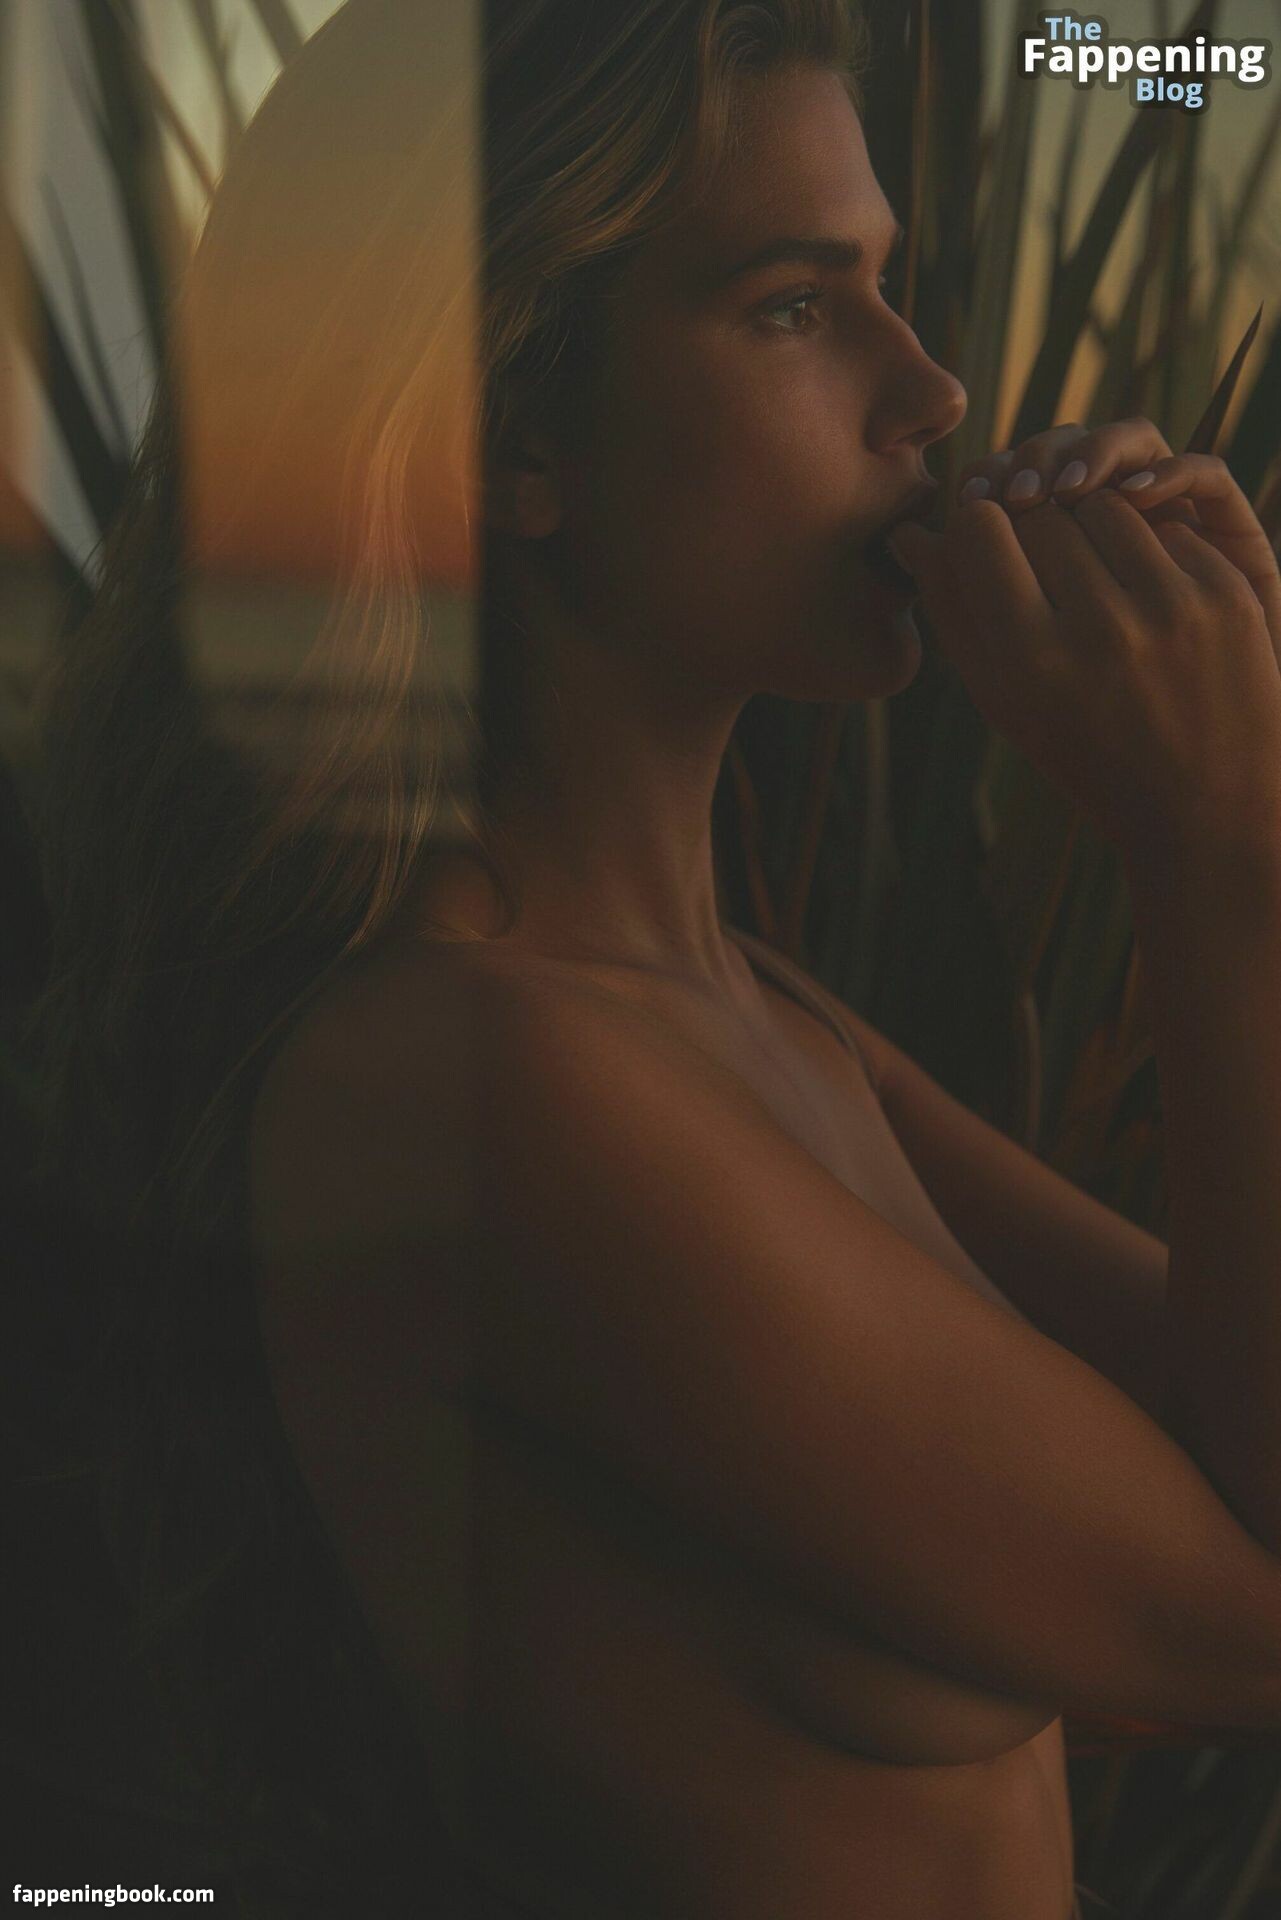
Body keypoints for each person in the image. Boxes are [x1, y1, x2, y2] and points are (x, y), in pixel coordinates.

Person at [26, 1, 1281, 1916]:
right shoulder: (466, 1082)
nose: (929, 389)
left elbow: (1224, 1434)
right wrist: (1217, 848)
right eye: (795, 306)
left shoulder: (752, 1016)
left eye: (885, 286)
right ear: (509, 431)